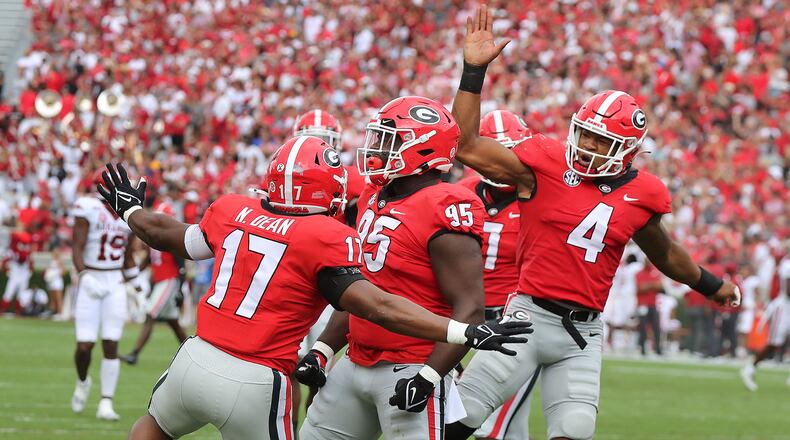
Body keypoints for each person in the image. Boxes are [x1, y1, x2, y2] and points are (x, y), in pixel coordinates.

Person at [96, 137, 532, 440]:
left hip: (194, 357)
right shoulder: (323, 234)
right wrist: (463, 332)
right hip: (256, 376)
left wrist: (131, 210)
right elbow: (376, 304)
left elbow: (165, 234)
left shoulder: (232, 209)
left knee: (153, 427)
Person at [445, 6, 740, 440]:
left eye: (601, 140)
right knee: (458, 422)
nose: (586, 147)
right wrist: (473, 72)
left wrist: (712, 286)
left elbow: (666, 253)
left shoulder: (645, 193)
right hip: (526, 316)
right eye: (584, 134)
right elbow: (467, 146)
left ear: (628, 149)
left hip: (582, 333)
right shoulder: (542, 164)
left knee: (575, 431)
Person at [298, 96, 494, 440]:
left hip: (412, 364)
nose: (377, 148)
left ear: (422, 150)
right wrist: (322, 350)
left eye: (391, 139)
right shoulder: (375, 195)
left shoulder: (445, 204)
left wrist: (429, 377)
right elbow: (360, 290)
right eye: (378, 138)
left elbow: (470, 309)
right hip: (356, 360)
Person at [459, 109, 539, 440]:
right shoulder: (461, 192)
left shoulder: (536, 198)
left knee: (496, 428)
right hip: (462, 319)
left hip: (512, 320)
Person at [291, 109, 367, 423]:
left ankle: (311, 429)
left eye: (324, 141)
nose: (318, 146)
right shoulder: (286, 171)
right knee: (287, 366)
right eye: (312, 139)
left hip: (330, 278)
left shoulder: (351, 178)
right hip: (296, 275)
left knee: (318, 367)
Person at [70, 174, 140, 421]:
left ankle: (106, 402)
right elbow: (77, 246)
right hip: (92, 278)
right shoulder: (88, 208)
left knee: (111, 342)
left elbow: (128, 255)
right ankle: (82, 381)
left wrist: (138, 287)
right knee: (85, 345)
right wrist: (84, 275)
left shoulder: (128, 215)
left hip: (115, 282)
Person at [120, 200, 188, 366]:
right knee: (173, 323)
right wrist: (133, 274)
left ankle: (135, 354)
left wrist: (179, 289)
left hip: (169, 281)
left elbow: (181, 265)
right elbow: (150, 261)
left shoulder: (173, 237)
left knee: (150, 314)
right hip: (161, 281)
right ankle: (192, 355)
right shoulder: (157, 236)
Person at [740, 251, 790, 391]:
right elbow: (788, 291)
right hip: (784, 308)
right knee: (774, 343)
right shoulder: (787, 265)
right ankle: (750, 368)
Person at [0, 227, 32, 314]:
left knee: (21, 294)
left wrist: (30, 271)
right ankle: (3, 309)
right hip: (15, 274)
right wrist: (6, 270)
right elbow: (5, 261)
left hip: (23, 274)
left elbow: (28, 261)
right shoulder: (12, 251)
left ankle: (18, 311)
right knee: (9, 292)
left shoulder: (26, 251)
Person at [636, 262, 663, 356]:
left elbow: (659, 286)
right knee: (643, 327)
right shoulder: (639, 273)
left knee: (656, 327)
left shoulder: (655, 272)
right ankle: (643, 349)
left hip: (653, 304)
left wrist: (647, 285)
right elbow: (640, 288)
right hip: (642, 304)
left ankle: (658, 349)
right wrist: (652, 285)